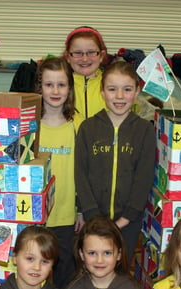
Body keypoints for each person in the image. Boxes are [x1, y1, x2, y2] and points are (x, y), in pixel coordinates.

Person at [75, 60, 156, 258]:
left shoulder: (145, 130)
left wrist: (127, 217)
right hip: (93, 220)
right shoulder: (88, 128)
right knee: (95, 266)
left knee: (120, 270)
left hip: (128, 222)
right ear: (102, 92)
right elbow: (80, 174)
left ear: (137, 92)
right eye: (112, 89)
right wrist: (91, 214)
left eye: (127, 89)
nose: (119, 96)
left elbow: (144, 177)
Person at [36, 57, 82, 289]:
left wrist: (81, 209)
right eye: (49, 84)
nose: (55, 91)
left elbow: (85, 173)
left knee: (65, 278)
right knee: (35, 275)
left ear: (70, 88)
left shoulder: (79, 126)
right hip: (35, 217)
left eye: (61, 85)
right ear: (39, 87)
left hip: (66, 217)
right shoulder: (29, 126)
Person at [64, 26, 108, 126]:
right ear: (68, 57)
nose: (84, 59)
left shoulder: (112, 85)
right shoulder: (60, 85)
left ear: (101, 55)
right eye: (78, 53)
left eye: (91, 52)